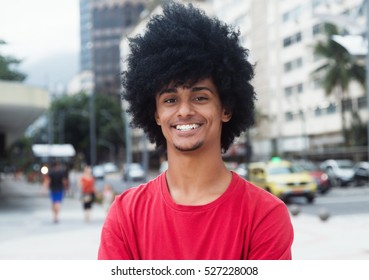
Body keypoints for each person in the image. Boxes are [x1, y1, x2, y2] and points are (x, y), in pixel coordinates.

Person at [98, 2, 294, 260]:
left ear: (225, 108)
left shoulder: (265, 215)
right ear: (156, 114)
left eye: (200, 97)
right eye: (170, 100)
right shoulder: (125, 214)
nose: (184, 111)